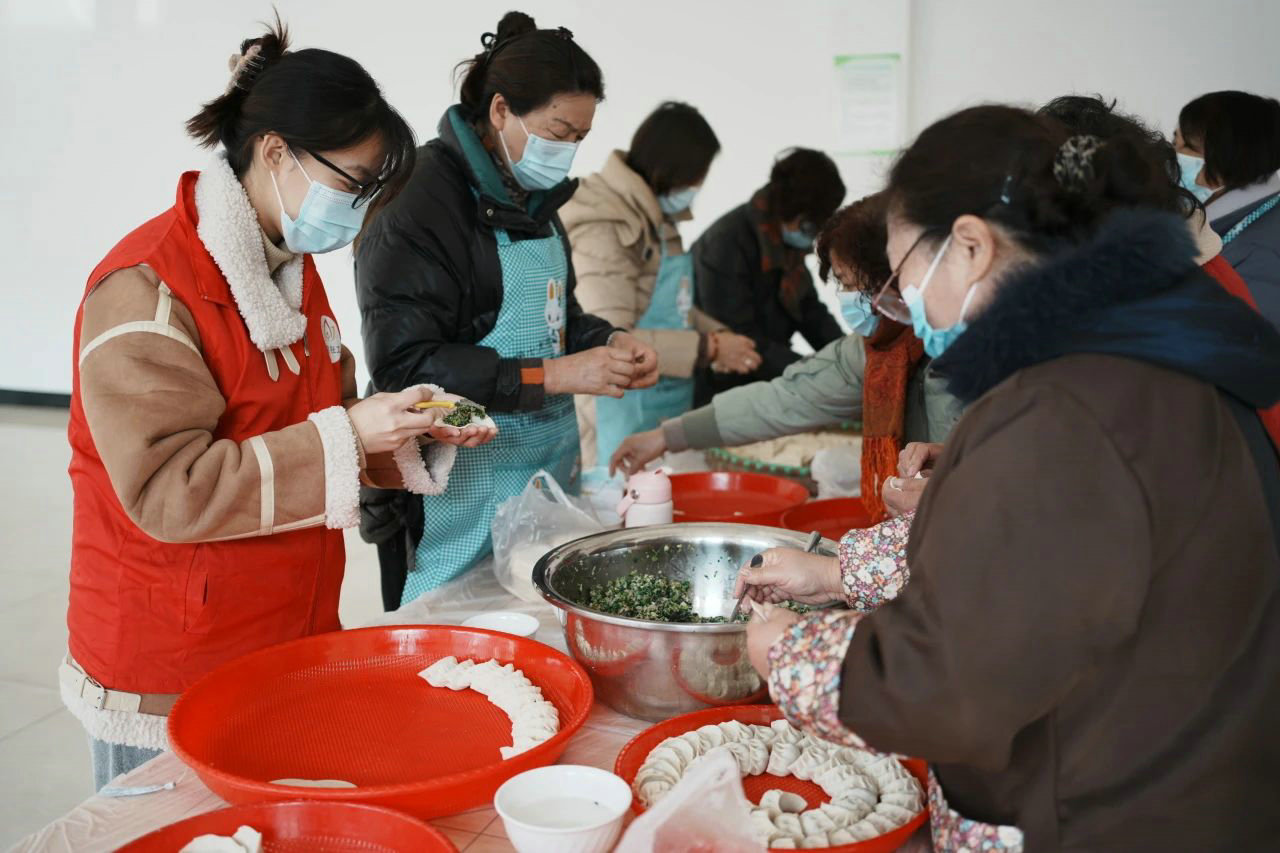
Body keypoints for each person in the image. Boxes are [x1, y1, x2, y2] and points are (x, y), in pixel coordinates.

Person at [739, 105, 1280, 850]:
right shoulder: (1134, 348)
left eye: (902, 278)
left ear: (970, 245)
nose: (905, 310)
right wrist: (836, 572)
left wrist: (790, 654)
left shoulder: (1071, 404)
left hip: (1114, 810)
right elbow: (1029, 559)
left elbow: (954, 682)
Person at [64, 19, 487, 790]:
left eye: (372, 191)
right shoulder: (147, 288)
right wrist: (347, 433)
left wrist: (405, 426)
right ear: (275, 153)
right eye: (353, 183)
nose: (358, 209)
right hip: (171, 661)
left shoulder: (291, 271)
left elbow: (324, 426)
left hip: (281, 632)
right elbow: (168, 491)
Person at [355, 12, 658, 606]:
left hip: (543, 491)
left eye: (579, 138)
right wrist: (554, 375)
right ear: (500, 110)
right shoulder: (418, 202)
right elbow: (403, 367)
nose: (567, 151)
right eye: (558, 131)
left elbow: (557, 317)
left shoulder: (535, 199)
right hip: (453, 505)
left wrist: (607, 341)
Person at [611, 193, 963, 520]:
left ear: (890, 273)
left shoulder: (971, 348)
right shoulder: (877, 350)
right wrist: (668, 436)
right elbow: (784, 399)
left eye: (847, 282)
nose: (845, 297)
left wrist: (952, 488)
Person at [560, 101, 761, 468]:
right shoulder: (605, 225)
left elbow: (673, 306)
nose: (697, 187)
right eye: (697, 176)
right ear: (672, 170)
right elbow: (610, 337)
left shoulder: (659, 217)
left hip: (665, 399)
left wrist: (717, 334)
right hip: (619, 411)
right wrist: (709, 349)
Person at [690, 148, 847, 406]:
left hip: (766, 378)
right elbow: (742, 338)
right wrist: (812, 373)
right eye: (812, 223)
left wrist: (845, 358)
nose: (815, 233)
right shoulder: (726, 243)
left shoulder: (786, 245)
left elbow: (809, 310)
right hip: (722, 386)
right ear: (793, 210)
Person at [1176, 90, 1280, 327]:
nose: (1174, 157)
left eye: (1187, 148)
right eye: (1175, 143)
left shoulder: (1261, 255)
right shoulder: (1228, 220)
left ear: (1232, 157)